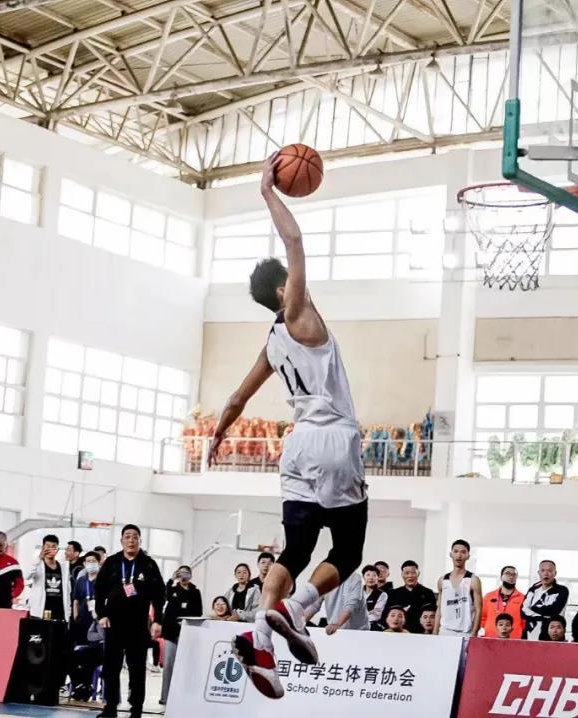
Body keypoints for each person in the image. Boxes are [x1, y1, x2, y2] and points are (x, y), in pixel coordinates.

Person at [207, 154, 368, 700]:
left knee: (293, 554)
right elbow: (295, 242)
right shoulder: (299, 315)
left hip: (296, 447)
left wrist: (218, 435)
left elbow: (236, 398)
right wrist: (267, 192)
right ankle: (298, 609)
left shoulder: (272, 342)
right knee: (348, 552)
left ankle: (259, 638)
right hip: (334, 438)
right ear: (283, 290)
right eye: (292, 281)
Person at [93, 524, 165, 718]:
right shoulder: (112, 562)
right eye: (127, 536)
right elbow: (99, 589)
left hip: (138, 625)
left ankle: (136, 710)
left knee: (137, 669)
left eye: (135, 537)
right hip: (114, 623)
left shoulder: (148, 564)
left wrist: (157, 620)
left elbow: (159, 594)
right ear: (121, 540)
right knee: (111, 667)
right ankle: (110, 708)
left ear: (140, 540)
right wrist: (101, 614)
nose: (131, 540)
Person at [160, 565, 203, 705]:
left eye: (186, 573)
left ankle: (183, 697)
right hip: (171, 632)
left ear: (190, 575)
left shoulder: (195, 592)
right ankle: (165, 697)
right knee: (168, 665)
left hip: (187, 631)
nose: (184, 575)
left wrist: (185, 618)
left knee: (186, 666)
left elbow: (198, 611)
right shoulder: (172, 589)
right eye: (181, 573)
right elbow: (163, 595)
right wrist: (171, 579)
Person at [69, 551, 104, 702]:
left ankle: (87, 685)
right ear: (84, 564)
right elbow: (76, 600)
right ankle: (79, 684)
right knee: (72, 655)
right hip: (82, 622)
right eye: (88, 561)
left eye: (93, 561)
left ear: (99, 562)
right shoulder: (81, 581)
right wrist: (75, 614)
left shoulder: (103, 581)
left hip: (97, 625)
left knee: (89, 656)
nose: (90, 564)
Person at [435, 540, 482, 637]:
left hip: (466, 632)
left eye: (463, 552)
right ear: (450, 554)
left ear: (468, 556)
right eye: (456, 551)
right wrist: (435, 631)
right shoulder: (442, 580)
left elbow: (478, 609)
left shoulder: (473, 580)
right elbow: (439, 608)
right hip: (445, 631)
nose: (459, 555)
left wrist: (474, 633)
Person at [521, 560, 569, 641]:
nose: (546, 573)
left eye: (549, 570)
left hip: (552, 636)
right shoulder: (533, 589)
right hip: (530, 634)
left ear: (555, 573)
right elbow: (523, 611)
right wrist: (542, 616)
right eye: (543, 570)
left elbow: (553, 610)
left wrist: (532, 608)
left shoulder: (562, 590)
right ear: (539, 573)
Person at [27, 534, 71, 622]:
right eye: (47, 546)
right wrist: (39, 558)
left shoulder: (63, 567)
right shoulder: (38, 564)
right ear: (43, 548)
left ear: (57, 549)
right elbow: (27, 575)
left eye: (53, 547)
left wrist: (68, 611)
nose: (50, 549)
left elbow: (68, 589)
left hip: (59, 611)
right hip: (41, 610)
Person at [389, 561, 437, 634]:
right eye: (407, 573)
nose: (410, 576)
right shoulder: (394, 593)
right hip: (398, 632)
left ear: (418, 573)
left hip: (421, 632)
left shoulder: (428, 592)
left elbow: (433, 615)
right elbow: (388, 614)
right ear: (402, 575)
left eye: (413, 573)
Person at [481, 566, 525, 638]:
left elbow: (525, 621)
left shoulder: (523, 598)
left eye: (514, 574)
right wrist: (489, 628)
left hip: (514, 639)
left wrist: (518, 631)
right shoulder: (489, 596)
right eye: (508, 573)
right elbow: (481, 617)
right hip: (490, 638)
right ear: (501, 577)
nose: (511, 576)